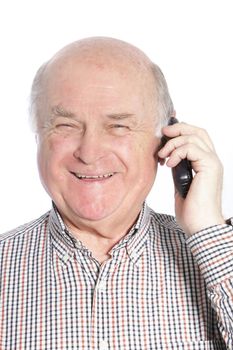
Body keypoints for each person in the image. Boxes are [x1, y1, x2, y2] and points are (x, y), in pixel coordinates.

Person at [0, 37, 232, 350]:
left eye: (118, 126)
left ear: (168, 135)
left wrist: (207, 231)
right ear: (38, 133)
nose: (90, 152)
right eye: (66, 125)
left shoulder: (219, 262)